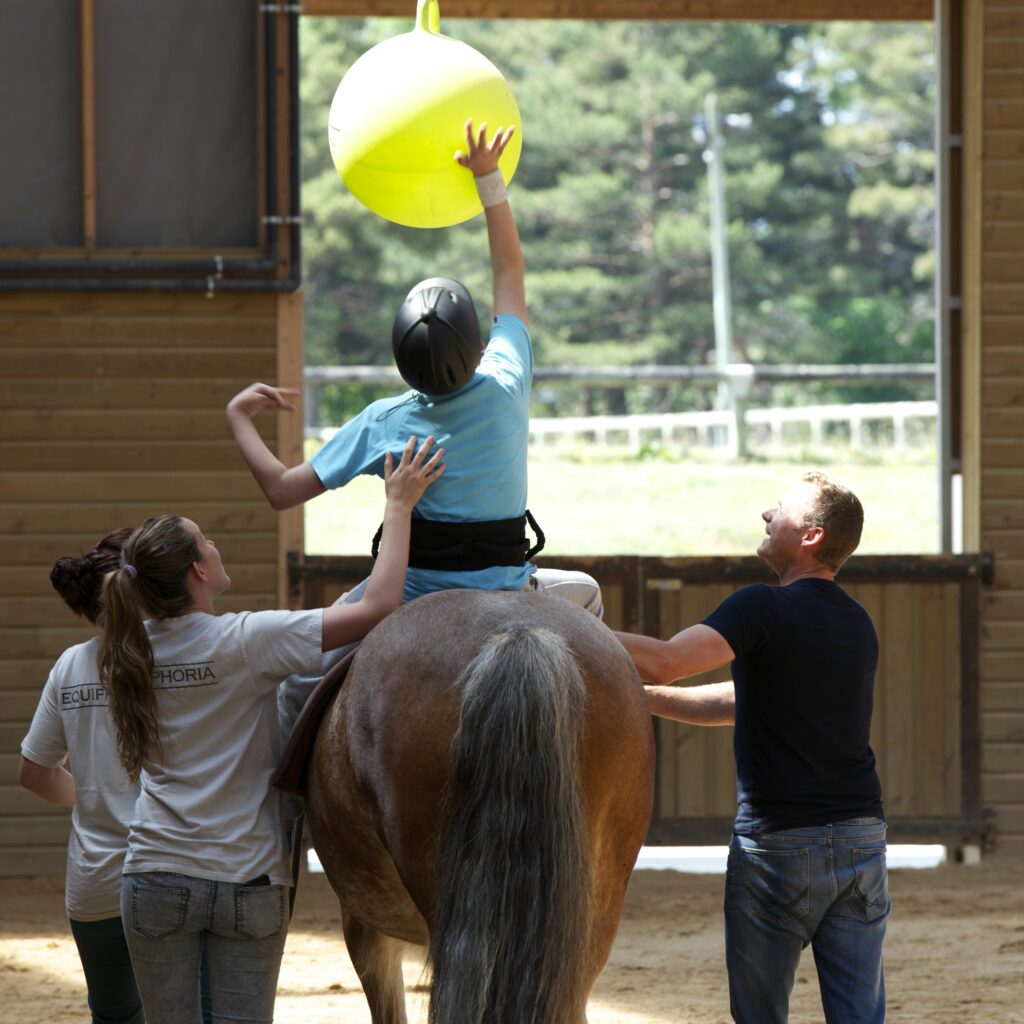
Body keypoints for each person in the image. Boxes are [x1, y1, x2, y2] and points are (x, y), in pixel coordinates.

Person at [227, 118, 602, 744]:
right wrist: (487, 179)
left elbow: (281, 491)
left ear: (401, 360)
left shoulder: (383, 423)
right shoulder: (507, 383)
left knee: (294, 684)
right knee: (586, 595)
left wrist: (239, 419)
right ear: (480, 345)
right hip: (513, 591)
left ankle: (287, 824)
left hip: (410, 602)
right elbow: (510, 274)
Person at [48, 436, 440, 1024]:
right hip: (247, 881)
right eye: (206, 539)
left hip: (152, 876)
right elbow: (380, 604)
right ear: (199, 570)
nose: (216, 542)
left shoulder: (120, 654)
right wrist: (399, 504)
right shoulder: (248, 640)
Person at [615, 471, 890, 1024]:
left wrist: (563, 623)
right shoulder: (857, 621)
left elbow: (668, 658)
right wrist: (642, 698)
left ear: (810, 536)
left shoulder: (760, 606)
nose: (767, 514)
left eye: (781, 509)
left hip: (779, 844)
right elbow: (742, 700)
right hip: (862, 840)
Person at [20, 528, 151, 1024]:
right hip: (169, 869)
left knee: (114, 1014)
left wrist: (98, 795)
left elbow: (34, 773)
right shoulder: (183, 656)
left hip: (94, 879)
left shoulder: (70, 665)